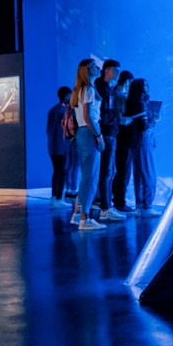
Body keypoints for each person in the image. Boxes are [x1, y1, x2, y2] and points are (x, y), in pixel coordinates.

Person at [70, 59, 105, 231]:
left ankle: (78, 215)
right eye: (95, 67)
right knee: (90, 177)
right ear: (89, 70)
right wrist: (98, 135)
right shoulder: (89, 89)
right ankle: (85, 218)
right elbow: (88, 116)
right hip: (90, 132)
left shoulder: (79, 89)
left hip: (82, 133)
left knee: (86, 176)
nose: (99, 69)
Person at [94, 59, 126, 222]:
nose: (118, 73)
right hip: (106, 133)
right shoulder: (102, 88)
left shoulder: (107, 88)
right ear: (107, 70)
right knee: (106, 172)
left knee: (110, 171)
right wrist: (117, 119)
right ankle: (105, 208)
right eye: (116, 70)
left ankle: (106, 205)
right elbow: (102, 114)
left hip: (110, 132)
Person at [126, 78, 161, 217]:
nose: (147, 87)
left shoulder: (131, 102)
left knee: (139, 173)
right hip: (143, 140)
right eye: (145, 85)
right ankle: (147, 206)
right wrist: (154, 120)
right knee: (148, 173)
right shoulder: (141, 104)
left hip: (135, 141)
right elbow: (145, 126)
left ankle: (139, 206)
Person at [111, 70, 136, 213]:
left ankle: (116, 199)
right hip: (123, 137)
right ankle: (120, 201)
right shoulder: (120, 96)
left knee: (120, 170)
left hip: (118, 137)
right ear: (127, 82)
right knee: (124, 170)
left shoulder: (113, 94)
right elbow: (119, 116)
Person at [45, 86, 73, 207]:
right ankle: (59, 198)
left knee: (57, 171)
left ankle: (54, 196)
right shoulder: (63, 111)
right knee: (61, 171)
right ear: (66, 95)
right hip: (61, 146)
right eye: (70, 95)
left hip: (53, 145)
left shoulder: (53, 110)